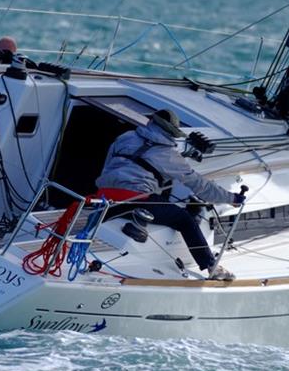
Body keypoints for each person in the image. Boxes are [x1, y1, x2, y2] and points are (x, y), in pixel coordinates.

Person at [95, 109, 245, 280]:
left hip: (104, 197)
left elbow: (107, 166)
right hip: (137, 200)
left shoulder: (125, 137)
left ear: (152, 122)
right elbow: (200, 185)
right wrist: (231, 198)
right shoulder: (168, 155)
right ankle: (211, 266)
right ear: (170, 132)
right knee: (185, 219)